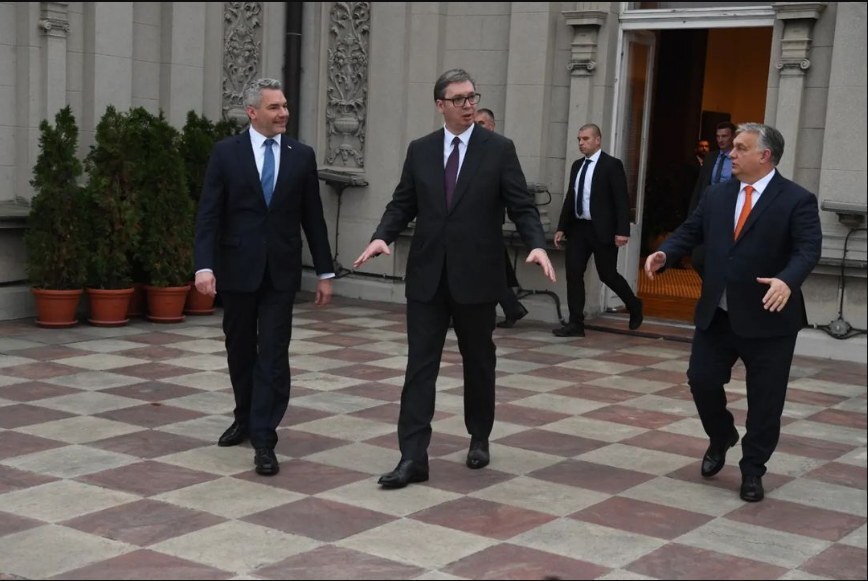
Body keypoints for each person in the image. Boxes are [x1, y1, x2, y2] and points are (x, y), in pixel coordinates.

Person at [354, 69, 556, 489]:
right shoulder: (421, 150)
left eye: (472, 97)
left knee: (478, 361)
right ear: (440, 105)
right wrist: (380, 236)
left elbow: (522, 205)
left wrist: (536, 244)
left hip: (477, 278)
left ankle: (478, 436)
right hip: (428, 277)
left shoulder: (498, 150)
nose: (469, 105)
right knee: (419, 367)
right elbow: (401, 203)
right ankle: (413, 457)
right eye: (459, 98)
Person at [644, 123, 821, 502]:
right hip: (719, 314)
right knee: (701, 380)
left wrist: (787, 281)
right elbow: (691, 230)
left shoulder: (797, 199)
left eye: (741, 148)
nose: (731, 154)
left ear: (765, 156)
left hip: (768, 318)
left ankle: (753, 469)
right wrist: (666, 252)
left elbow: (807, 250)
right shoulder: (717, 195)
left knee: (765, 402)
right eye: (733, 148)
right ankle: (721, 434)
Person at [194, 78, 335, 476]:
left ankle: (264, 437)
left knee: (273, 354)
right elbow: (209, 214)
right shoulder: (225, 153)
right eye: (275, 107)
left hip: (280, 274)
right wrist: (203, 266)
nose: (284, 113)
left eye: (285, 105)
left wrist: (324, 272)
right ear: (253, 112)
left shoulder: (301, 156)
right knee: (240, 350)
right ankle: (244, 417)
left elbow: (314, 218)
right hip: (237, 271)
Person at [552, 123, 643, 337]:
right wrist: (562, 227)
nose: (581, 143)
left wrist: (622, 230)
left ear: (597, 140)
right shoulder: (577, 165)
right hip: (579, 229)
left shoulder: (611, 165)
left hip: (602, 230)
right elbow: (570, 198)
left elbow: (621, 200)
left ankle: (634, 304)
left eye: (585, 139)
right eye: (579, 139)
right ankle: (576, 323)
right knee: (574, 274)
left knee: (607, 274)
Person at [474, 108, 529, 328]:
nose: (478, 128)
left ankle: (512, 308)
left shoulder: (501, 149)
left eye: (482, 124)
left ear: (492, 125)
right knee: (494, 271)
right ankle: (513, 308)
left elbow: (514, 193)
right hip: (469, 225)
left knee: (490, 270)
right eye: (475, 123)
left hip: (489, 225)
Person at [689, 122, 737, 277]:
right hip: (708, 212)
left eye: (725, 136)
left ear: (733, 137)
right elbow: (700, 186)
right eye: (718, 136)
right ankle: (711, 287)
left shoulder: (739, 160)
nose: (721, 140)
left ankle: (716, 290)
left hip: (728, 214)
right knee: (698, 258)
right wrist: (692, 213)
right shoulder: (711, 158)